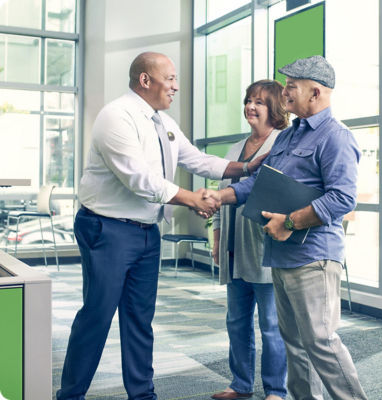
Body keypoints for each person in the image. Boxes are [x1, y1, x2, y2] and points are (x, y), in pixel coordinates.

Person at [56, 51, 265, 400]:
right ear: (145, 80)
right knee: (97, 315)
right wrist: (192, 199)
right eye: (170, 78)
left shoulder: (163, 123)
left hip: (146, 232)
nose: (176, 87)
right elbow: (139, 179)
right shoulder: (116, 117)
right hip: (107, 230)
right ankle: (70, 395)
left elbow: (196, 159)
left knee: (140, 319)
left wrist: (245, 167)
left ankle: (142, 395)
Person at [206, 55, 368, 400]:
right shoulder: (287, 136)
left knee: (321, 342)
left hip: (313, 257)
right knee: (294, 344)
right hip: (280, 255)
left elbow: (342, 199)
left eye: (292, 86)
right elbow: (261, 182)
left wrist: (291, 222)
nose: (286, 92)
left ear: (316, 92)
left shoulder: (335, 137)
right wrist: (221, 196)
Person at [211, 80, 288, 400]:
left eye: (259, 101)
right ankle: (240, 383)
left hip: (265, 248)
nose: (250, 107)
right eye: (248, 100)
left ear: (274, 108)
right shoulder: (235, 149)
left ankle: (275, 389)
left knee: (271, 325)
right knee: (236, 321)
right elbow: (220, 194)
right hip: (233, 247)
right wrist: (216, 237)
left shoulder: (281, 142)